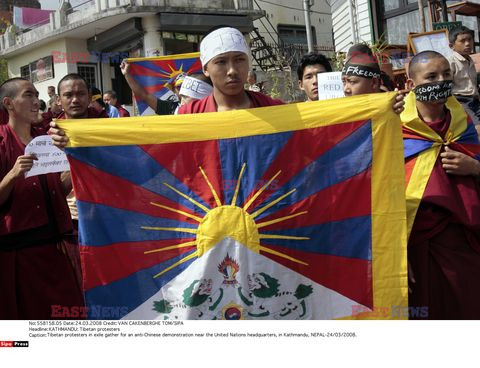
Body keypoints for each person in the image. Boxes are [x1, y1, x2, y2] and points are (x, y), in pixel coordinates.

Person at [402, 50, 480, 319]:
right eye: (431, 76)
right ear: (411, 84)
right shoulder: (394, 128)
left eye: (446, 74)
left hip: (464, 238)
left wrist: (475, 167)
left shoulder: (463, 121)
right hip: (416, 239)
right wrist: (395, 252)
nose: (441, 81)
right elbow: (380, 193)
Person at [0, 77, 83, 319]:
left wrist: (74, 163)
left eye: (37, 95)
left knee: (68, 317)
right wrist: (13, 174)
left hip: (55, 247)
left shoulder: (45, 141)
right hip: (18, 254)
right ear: (9, 103)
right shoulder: (2, 143)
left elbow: (59, 190)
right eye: (28, 95)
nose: (37, 101)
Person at [178, 27, 284, 114]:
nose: (232, 71)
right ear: (205, 69)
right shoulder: (188, 115)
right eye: (221, 62)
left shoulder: (276, 110)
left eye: (239, 60)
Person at [341, 43, 405, 113]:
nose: (345, 90)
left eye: (352, 82)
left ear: (374, 82)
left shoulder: (391, 105)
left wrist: (394, 110)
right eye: (344, 82)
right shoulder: (341, 109)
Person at [447, 26, 480, 134]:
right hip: (460, 101)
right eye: (462, 41)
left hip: (474, 99)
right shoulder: (450, 62)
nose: (467, 43)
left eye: (469, 39)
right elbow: (447, 85)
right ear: (452, 46)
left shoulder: (470, 60)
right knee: (477, 127)